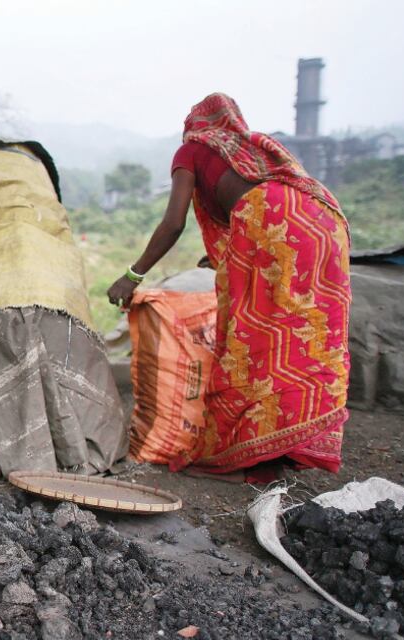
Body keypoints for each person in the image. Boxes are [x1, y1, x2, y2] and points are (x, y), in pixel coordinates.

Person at [107, 93, 350, 478]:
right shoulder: (249, 152)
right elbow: (252, 205)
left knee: (250, 343)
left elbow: (174, 223)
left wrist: (133, 275)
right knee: (310, 339)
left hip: (268, 219)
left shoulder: (191, 150)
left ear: (195, 126)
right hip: (322, 219)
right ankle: (291, 447)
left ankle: (241, 453)